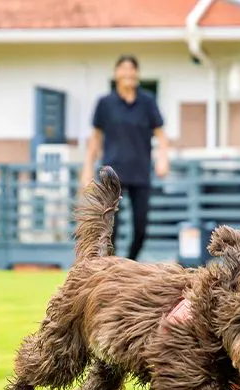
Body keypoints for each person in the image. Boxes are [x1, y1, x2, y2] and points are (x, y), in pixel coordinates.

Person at [84, 54, 170, 261]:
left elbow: (161, 134)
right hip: (112, 175)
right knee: (111, 227)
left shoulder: (147, 101)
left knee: (141, 228)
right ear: (116, 74)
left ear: (137, 74)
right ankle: (110, 265)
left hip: (141, 172)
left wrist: (163, 158)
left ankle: (130, 263)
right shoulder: (105, 103)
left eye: (132, 68)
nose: (128, 72)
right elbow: (95, 138)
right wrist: (87, 168)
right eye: (123, 68)